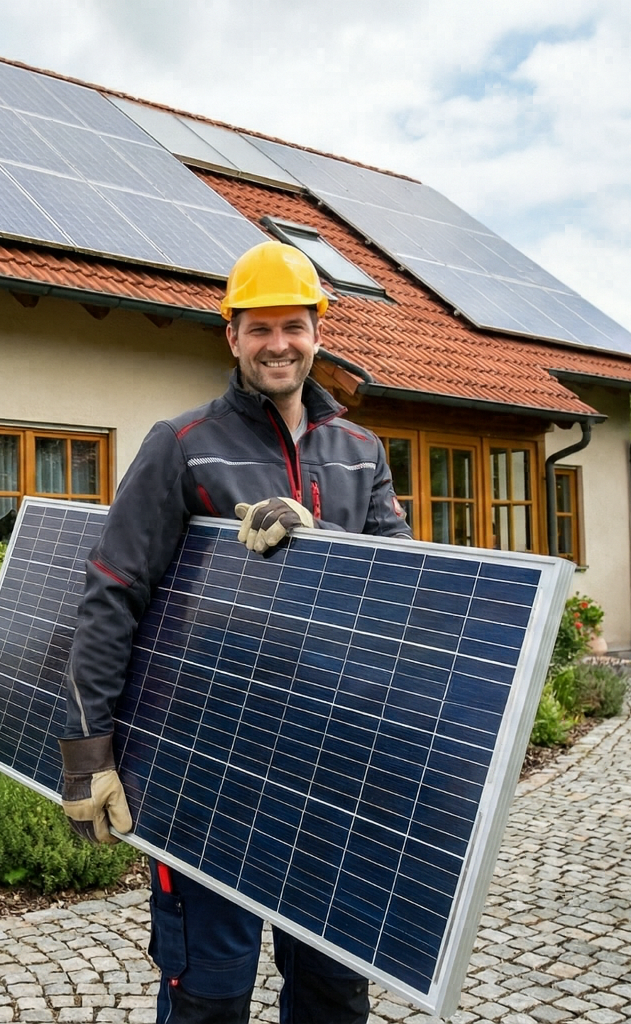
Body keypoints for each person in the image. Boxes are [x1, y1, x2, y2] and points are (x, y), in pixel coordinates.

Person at [57, 240, 413, 1024]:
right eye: (259, 328)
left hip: (328, 766)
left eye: (293, 325)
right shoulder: (182, 445)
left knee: (333, 993)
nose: (278, 344)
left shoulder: (361, 452)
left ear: (319, 329)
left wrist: (316, 535)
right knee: (208, 993)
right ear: (231, 336)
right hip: (205, 766)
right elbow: (112, 593)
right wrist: (90, 755)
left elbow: (400, 588)